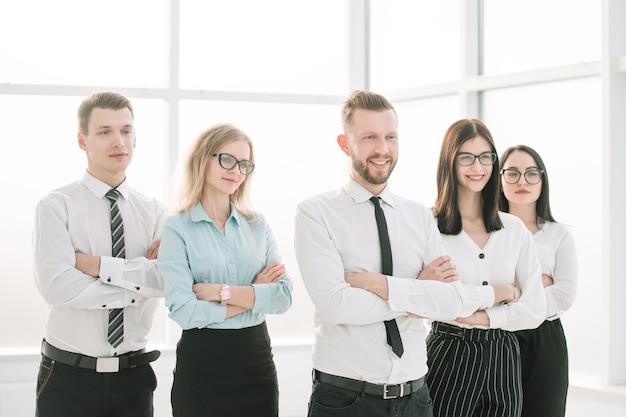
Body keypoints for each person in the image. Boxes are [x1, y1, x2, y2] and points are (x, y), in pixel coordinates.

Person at [294, 90, 518, 417]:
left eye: (390, 137)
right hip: (345, 399)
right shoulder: (316, 213)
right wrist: (417, 289)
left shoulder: (420, 216)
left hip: (416, 397)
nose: (382, 149)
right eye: (369, 137)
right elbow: (336, 305)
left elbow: (447, 301)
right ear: (345, 144)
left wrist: (378, 284)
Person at [33, 92, 167, 417]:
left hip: (133, 379)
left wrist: (96, 267)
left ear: (136, 138)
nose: (118, 141)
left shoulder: (155, 213)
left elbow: (164, 282)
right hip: (67, 378)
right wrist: (136, 286)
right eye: (104, 132)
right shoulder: (56, 207)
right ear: (83, 140)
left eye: (126, 130)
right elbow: (57, 286)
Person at [157, 123, 293, 417]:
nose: (236, 170)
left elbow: (283, 297)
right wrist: (254, 295)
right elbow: (184, 311)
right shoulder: (177, 227)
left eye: (244, 164)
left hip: (256, 361)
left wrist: (221, 293)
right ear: (202, 159)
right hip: (202, 362)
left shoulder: (258, 225)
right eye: (227, 160)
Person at [426, 119, 547, 417]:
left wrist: (483, 317)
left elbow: (535, 310)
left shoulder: (514, 229)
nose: (477, 166)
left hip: (504, 354)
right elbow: (428, 300)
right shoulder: (428, 227)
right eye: (466, 157)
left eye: (485, 157)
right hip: (450, 353)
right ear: (449, 162)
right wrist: (500, 293)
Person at [499, 145, 578, 417]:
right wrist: (539, 285)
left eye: (531, 173)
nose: (522, 181)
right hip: (497, 337)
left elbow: (565, 294)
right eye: (512, 173)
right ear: (499, 180)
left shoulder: (559, 235)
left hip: (545, 340)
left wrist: (514, 294)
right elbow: (481, 284)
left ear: (542, 180)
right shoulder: (489, 232)